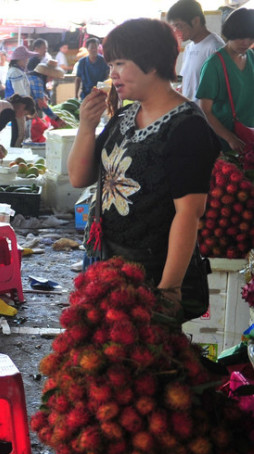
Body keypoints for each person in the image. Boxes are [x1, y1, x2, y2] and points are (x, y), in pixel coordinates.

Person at [67, 18, 220, 317]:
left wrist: (170, 288)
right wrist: (86, 127)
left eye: (120, 64)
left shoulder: (187, 127)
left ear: (151, 64)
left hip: (151, 273)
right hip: (104, 260)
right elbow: (78, 177)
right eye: (111, 65)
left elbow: (188, 213)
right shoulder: (125, 115)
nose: (112, 74)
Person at [196, 8, 254, 152]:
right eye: (241, 37)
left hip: (250, 136)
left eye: (251, 37)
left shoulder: (251, 57)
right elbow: (205, 110)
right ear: (230, 33)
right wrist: (229, 138)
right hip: (226, 144)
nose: (246, 43)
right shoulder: (214, 64)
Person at [168, 0, 223, 103]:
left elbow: (221, 89)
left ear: (196, 21)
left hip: (204, 116)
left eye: (179, 25)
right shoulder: (189, 48)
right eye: (173, 27)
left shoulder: (215, 48)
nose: (176, 31)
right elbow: (187, 81)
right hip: (190, 113)